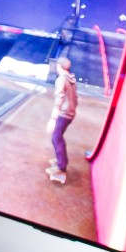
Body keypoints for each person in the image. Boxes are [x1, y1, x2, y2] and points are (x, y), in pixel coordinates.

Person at [45, 56, 77, 185]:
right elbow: (75, 98)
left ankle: (61, 166)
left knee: (56, 138)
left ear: (59, 66)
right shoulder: (70, 78)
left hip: (64, 114)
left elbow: (59, 100)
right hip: (70, 113)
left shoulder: (61, 79)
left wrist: (53, 118)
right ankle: (61, 161)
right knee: (58, 137)